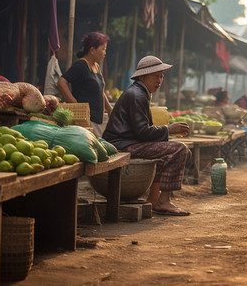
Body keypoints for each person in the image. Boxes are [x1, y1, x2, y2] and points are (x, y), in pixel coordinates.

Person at [102, 56, 191, 216]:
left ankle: (154, 198)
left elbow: (143, 131)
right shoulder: (137, 95)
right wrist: (168, 129)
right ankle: (163, 201)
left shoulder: (140, 92)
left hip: (127, 141)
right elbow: (142, 132)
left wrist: (167, 132)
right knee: (179, 149)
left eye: (161, 76)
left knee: (171, 150)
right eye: (155, 76)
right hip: (122, 144)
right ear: (142, 77)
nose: (159, 80)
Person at [57, 32, 113, 137]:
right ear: (92, 50)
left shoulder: (96, 67)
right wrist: (75, 103)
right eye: (103, 49)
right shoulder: (81, 65)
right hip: (85, 119)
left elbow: (100, 91)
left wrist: (110, 109)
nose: (105, 53)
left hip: (97, 119)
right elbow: (61, 82)